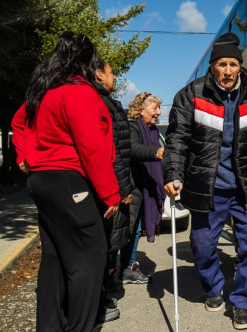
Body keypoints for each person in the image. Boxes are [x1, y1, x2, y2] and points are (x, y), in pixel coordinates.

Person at [163, 32, 247, 330]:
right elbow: (177, 138)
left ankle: (244, 302)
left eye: (233, 64)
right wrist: (173, 173)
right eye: (222, 64)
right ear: (212, 66)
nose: (228, 71)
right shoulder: (190, 95)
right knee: (202, 246)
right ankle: (213, 286)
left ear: (240, 66)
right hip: (207, 186)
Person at [11, 31, 120, 332]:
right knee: (90, 257)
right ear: (86, 62)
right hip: (69, 182)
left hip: (41, 182)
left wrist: (23, 156)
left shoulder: (43, 89)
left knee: (55, 258)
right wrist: (110, 193)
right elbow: (91, 147)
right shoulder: (78, 91)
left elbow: (18, 121)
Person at [86, 56, 130, 324]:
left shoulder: (107, 101)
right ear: (99, 75)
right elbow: (110, 150)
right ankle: (99, 300)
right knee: (103, 244)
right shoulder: (99, 101)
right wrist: (122, 187)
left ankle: (103, 293)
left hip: (112, 182)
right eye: (111, 72)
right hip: (108, 185)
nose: (115, 77)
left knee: (109, 243)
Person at [118, 92, 166, 284]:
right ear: (141, 109)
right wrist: (156, 152)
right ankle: (119, 270)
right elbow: (134, 149)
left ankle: (127, 267)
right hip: (131, 188)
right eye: (155, 108)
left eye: (159, 108)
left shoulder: (153, 131)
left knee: (135, 230)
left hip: (144, 188)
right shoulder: (132, 126)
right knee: (128, 230)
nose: (158, 112)